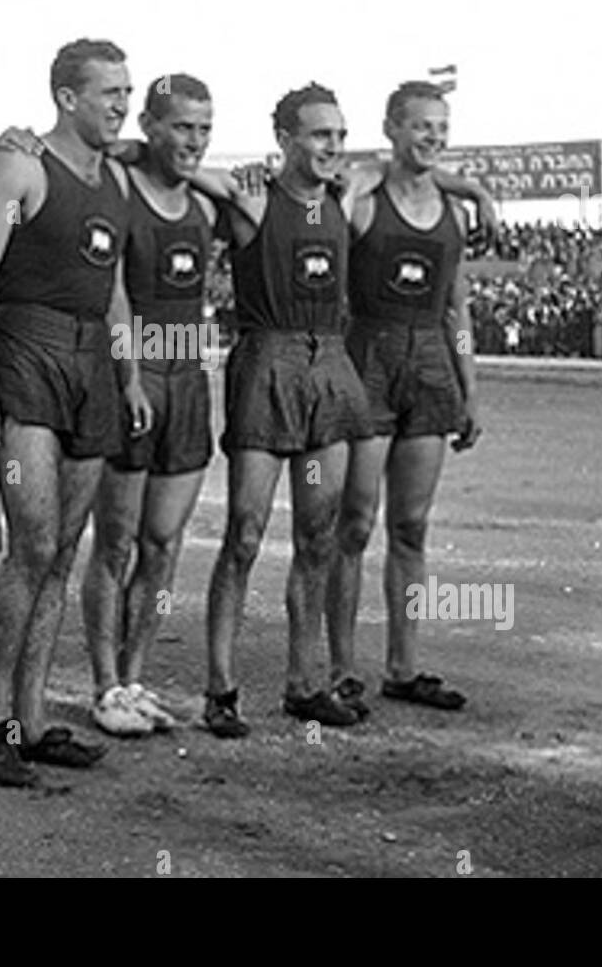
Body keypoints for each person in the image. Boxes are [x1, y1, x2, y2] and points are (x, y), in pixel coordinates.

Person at [0, 37, 151, 787]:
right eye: (108, 92)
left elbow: (116, 290)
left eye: (128, 92)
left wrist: (129, 377)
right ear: (68, 97)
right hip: (26, 355)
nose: (121, 104)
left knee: (65, 551)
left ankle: (32, 722)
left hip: (92, 364)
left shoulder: (119, 180)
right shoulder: (19, 165)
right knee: (32, 546)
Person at [201, 83, 374, 738]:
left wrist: (470, 192)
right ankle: (220, 688)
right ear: (285, 140)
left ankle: (306, 684)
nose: (334, 146)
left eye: (339, 133)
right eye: (319, 135)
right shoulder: (251, 196)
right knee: (244, 535)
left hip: (329, 364)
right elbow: (180, 165)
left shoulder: (346, 193)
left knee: (319, 535)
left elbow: (397, 166)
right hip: (267, 361)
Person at [328, 80, 483, 715]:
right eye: (422, 126)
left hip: (430, 368)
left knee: (412, 527)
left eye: (442, 128)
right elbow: (337, 191)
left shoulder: (453, 214)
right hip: (368, 359)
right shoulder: (364, 198)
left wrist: (471, 389)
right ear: (392, 128)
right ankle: (340, 668)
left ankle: (403, 665)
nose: (434, 138)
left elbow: (458, 308)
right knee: (354, 524)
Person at [80, 74, 220, 736]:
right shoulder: (117, 185)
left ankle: (137, 679)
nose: (194, 140)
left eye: (204, 128)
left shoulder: (209, 203)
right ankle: (105, 688)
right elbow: (114, 295)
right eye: (182, 127)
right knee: (115, 543)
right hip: (130, 379)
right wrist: (130, 375)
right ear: (150, 126)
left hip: (188, 377)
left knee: (163, 546)